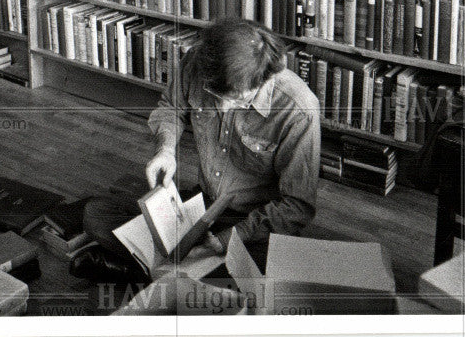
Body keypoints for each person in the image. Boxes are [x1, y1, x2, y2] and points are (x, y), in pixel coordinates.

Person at [70, 18, 321, 284]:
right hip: (202, 207)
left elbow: (297, 206)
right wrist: (165, 150)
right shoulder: (199, 62)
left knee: (268, 270)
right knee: (96, 214)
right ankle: (178, 276)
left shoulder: (299, 110)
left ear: (263, 78)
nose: (223, 108)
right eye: (215, 94)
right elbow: (171, 108)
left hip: (255, 224)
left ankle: (138, 270)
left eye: (238, 99)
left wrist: (228, 239)